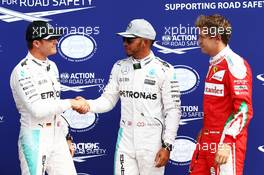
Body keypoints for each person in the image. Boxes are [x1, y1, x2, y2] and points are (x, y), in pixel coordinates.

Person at [76, 18, 181, 175]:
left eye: (130, 40)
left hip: (151, 139)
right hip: (126, 138)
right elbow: (108, 100)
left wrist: (167, 145)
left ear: (145, 42)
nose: (125, 43)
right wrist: (88, 105)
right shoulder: (119, 66)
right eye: (124, 39)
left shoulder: (165, 70)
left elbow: (173, 110)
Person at [10, 21, 88, 175]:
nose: (56, 41)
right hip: (35, 137)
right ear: (37, 43)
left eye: (56, 37)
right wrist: (71, 103)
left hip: (57, 135)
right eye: (50, 38)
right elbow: (37, 110)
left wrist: (66, 135)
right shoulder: (22, 71)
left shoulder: (52, 66)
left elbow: (54, 104)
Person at [189, 14, 253, 175]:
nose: (199, 41)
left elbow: (243, 110)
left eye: (202, 37)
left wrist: (227, 142)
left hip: (226, 143)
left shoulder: (235, 64)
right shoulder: (215, 62)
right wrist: (206, 130)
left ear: (216, 37)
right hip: (207, 140)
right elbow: (217, 106)